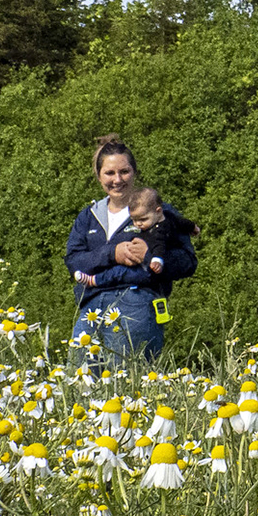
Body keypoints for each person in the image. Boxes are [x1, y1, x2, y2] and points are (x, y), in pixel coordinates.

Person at [64, 135, 197, 366]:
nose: (117, 180)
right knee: (79, 386)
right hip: (90, 309)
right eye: (109, 173)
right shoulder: (88, 216)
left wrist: (151, 254)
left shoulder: (159, 212)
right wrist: (112, 253)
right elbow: (74, 262)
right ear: (98, 176)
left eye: (124, 172)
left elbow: (187, 262)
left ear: (134, 172)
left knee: (128, 387)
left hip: (137, 303)